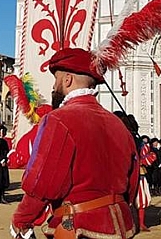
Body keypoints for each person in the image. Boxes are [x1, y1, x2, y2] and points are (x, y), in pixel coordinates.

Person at [10, 48, 138, 239]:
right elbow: (132, 183)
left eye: (56, 80)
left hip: (79, 226)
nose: (54, 87)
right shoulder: (118, 124)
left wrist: (22, 219)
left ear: (67, 79)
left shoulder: (58, 119)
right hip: (121, 225)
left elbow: (43, 182)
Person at [136, 134, 157, 232]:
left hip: (135, 173)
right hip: (138, 174)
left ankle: (140, 223)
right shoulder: (143, 146)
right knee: (141, 199)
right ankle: (140, 224)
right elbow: (148, 159)